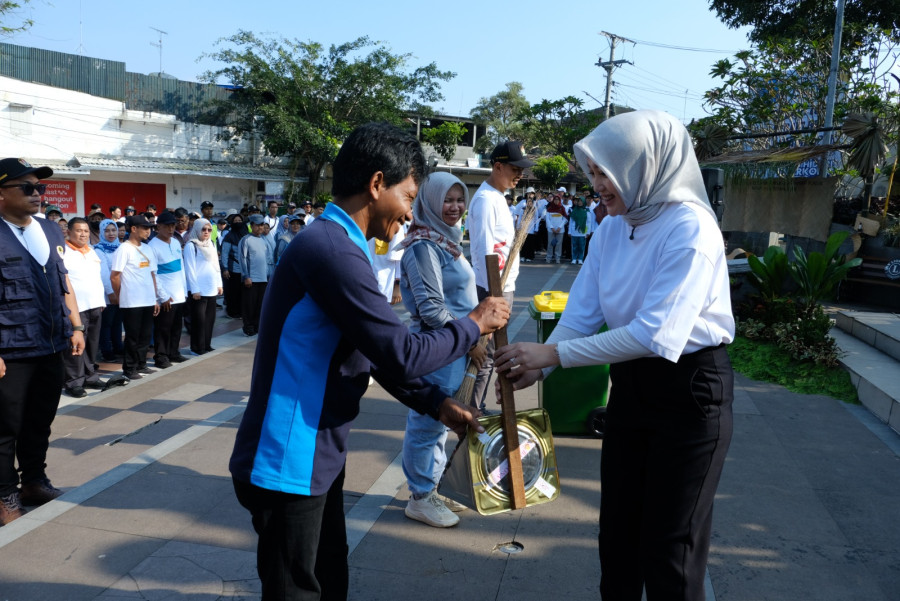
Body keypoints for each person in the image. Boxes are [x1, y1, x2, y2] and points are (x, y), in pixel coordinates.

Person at [229, 122, 510, 601]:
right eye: (408, 195)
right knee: (297, 591)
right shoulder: (331, 249)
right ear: (377, 184)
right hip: (287, 458)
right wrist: (474, 323)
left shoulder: (344, 246)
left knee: (330, 578)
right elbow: (401, 351)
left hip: (317, 453)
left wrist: (435, 403)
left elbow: (372, 351)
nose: (408, 210)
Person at [494, 110, 735, 601]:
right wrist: (536, 364)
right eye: (594, 172)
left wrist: (553, 354)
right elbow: (581, 313)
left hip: (689, 393)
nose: (598, 184)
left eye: (608, 171)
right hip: (630, 391)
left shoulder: (691, 228)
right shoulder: (610, 228)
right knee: (618, 538)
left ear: (647, 167)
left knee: (671, 549)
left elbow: (654, 336)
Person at [0, 157, 85, 525]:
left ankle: (34, 480)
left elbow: (62, 282)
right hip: (11, 350)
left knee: (40, 421)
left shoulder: (50, 231)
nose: (37, 194)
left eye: (40, 188)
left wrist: (76, 326)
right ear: (1, 194)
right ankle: (5, 495)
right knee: (5, 428)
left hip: (51, 344)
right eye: (27, 188)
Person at [398, 172, 485, 528]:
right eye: (447, 200)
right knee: (426, 423)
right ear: (431, 203)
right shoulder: (423, 246)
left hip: (456, 345)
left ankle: (432, 488)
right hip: (438, 347)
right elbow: (432, 310)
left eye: (459, 199)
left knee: (439, 424)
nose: (455, 207)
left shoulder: (445, 240)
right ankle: (420, 497)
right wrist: (472, 335)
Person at [466, 140, 533, 412]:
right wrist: (492, 295)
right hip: (493, 287)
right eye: (515, 169)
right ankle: (473, 408)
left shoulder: (498, 198)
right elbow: (485, 253)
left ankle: (475, 405)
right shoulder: (485, 201)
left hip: (503, 285)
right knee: (487, 354)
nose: (520, 175)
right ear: (497, 166)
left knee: (492, 354)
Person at [110, 215, 161, 380]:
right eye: (145, 228)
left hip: (147, 299)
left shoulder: (148, 249)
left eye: (149, 228)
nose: (148, 231)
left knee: (145, 335)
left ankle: (141, 364)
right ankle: (129, 368)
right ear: (133, 229)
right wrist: (120, 295)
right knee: (132, 336)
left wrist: (154, 299)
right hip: (131, 301)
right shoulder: (124, 249)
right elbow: (115, 276)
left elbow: (152, 275)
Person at [62, 217, 107, 397]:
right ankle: (74, 381)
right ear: (68, 232)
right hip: (76, 308)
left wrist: (101, 301)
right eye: (79, 230)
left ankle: (90, 376)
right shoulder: (63, 252)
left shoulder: (92, 251)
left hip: (95, 305)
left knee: (91, 344)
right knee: (75, 345)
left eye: (86, 231)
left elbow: (97, 278)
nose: (83, 234)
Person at [148, 212, 188, 368]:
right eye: (167, 226)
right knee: (163, 328)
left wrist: (184, 290)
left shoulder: (176, 243)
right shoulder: (153, 246)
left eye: (173, 225)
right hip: (166, 296)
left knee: (177, 327)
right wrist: (162, 296)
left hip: (179, 293)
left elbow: (181, 268)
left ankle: (174, 352)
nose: (171, 229)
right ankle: (161, 356)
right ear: (158, 227)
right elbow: (154, 274)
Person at [183, 218, 223, 355]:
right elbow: (190, 269)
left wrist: (219, 284)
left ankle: (206, 345)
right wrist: (194, 289)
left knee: (209, 320)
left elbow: (216, 265)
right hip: (199, 291)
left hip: (211, 288)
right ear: (197, 229)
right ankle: (196, 347)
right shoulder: (191, 245)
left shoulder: (211, 243)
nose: (206, 232)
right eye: (203, 229)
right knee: (198, 321)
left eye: (209, 230)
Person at [95, 219, 125, 361]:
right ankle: (107, 351)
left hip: (122, 292)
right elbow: (104, 274)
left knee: (117, 322)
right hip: (108, 294)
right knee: (107, 324)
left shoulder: (121, 247)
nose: (111, 233)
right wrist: (111, 293)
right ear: (101, 232)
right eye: (107, 231)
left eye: (113, 230)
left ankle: (118, 347)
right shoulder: (98, 249)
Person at [237, 214, 270, 336]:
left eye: (262, 225)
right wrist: (246, 276)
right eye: (258, 225)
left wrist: (267, 275)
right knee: (249, 305)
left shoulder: (263, 240)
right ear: (251, 226)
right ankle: (248, 326)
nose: (260, 227)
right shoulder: (246, 240)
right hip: (251, 279)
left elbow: (266, 259)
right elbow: (242, 259)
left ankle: (257, 325)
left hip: (263, 279)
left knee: (259, 305)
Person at [220, 213, 246, 319]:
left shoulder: (246, 234)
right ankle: (232, 312)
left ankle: (241, 311)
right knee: (233, 292)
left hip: (244, 270)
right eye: (235, 221)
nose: (238, 223)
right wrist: (225, 268)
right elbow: (225, 254)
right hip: (233, 269)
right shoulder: (229, 236)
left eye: (240, 221)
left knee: (242, 292)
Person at [544, 195, 567, 263]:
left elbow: (565, 219)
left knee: (558, 244)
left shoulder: (562, 208)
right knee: (550, 244)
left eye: (558, 200)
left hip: (560, 230)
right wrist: (552, 227)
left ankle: (557, 258)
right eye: (555, 200)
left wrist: (560, 227)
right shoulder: (549, 209)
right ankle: (549, 257)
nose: (556, 201)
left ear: (560, 201)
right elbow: (547, 219)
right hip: (551, 230)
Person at [568, 196, 589, 264]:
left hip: (582, 231)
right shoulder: (574, 211)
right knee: (574, 245)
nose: (579, 202)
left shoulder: (587, 211)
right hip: (574, 231)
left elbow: (588, 222)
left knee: (581, 245)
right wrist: (569, 231)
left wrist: (587, 232)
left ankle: (580, 258)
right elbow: (571, 222)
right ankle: (574, 258)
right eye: (578, 201)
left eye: (581, 201)